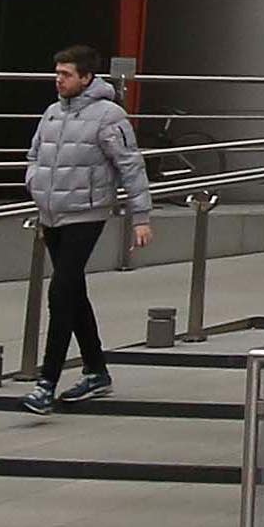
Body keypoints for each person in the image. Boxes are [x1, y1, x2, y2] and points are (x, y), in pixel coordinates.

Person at [19, 47, 154, 411]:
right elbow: (33, 155)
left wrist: (140, 216)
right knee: (73, 292)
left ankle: (46, 382)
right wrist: (34, 182)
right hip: (51, 213)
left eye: (66, 74)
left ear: (86, 78)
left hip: (86, 214)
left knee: (60, 292)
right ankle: (96, 371)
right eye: (57, 73)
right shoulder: (52, 113)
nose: (58, 79)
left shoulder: (109, 116)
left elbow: (131, 165)